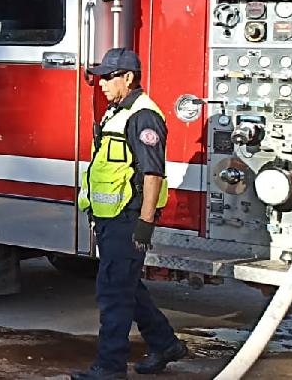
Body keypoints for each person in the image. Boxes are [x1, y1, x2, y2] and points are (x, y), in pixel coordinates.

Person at [71, 48, 189, 380]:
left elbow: (153, 174)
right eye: (99, 77)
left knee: (113, 293)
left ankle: (110, 367)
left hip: (129, 219)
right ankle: (165, 344)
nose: (101, 83)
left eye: (108, 77)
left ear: (128, 78)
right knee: (127, 287)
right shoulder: (117, 111)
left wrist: (145, 225)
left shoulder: (143, 116)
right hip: (111, 219)